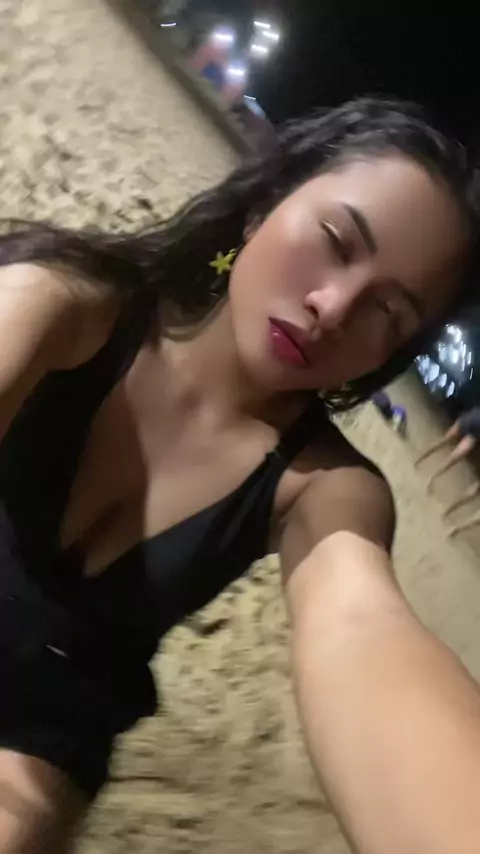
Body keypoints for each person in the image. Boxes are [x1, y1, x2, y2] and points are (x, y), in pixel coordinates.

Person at [1, 96, 480, 854]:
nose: (332, 307)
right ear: (265, 204)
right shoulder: (68, 302)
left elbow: (362, 626)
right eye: (336, 242)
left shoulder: (322, 486)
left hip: (40, 739)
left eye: (388, 312)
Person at [415, 404, 480, 491]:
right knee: (444, 440)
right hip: (469, 420)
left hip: (475, 435)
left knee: (454, 457)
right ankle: (419, 458)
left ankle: (432, 477)